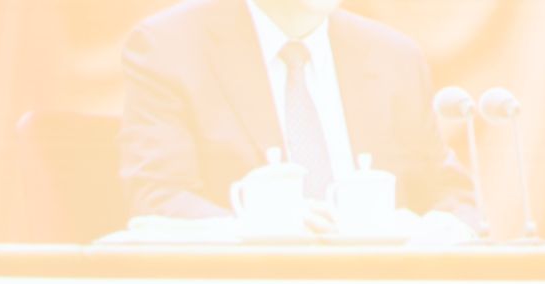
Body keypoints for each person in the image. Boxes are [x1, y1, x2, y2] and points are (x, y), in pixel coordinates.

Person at [118, 0, 476, 228]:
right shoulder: (170, 46)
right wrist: (264, 231)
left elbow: (453, 197)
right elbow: (158, 198)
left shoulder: (394, 56)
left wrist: (429, 231)